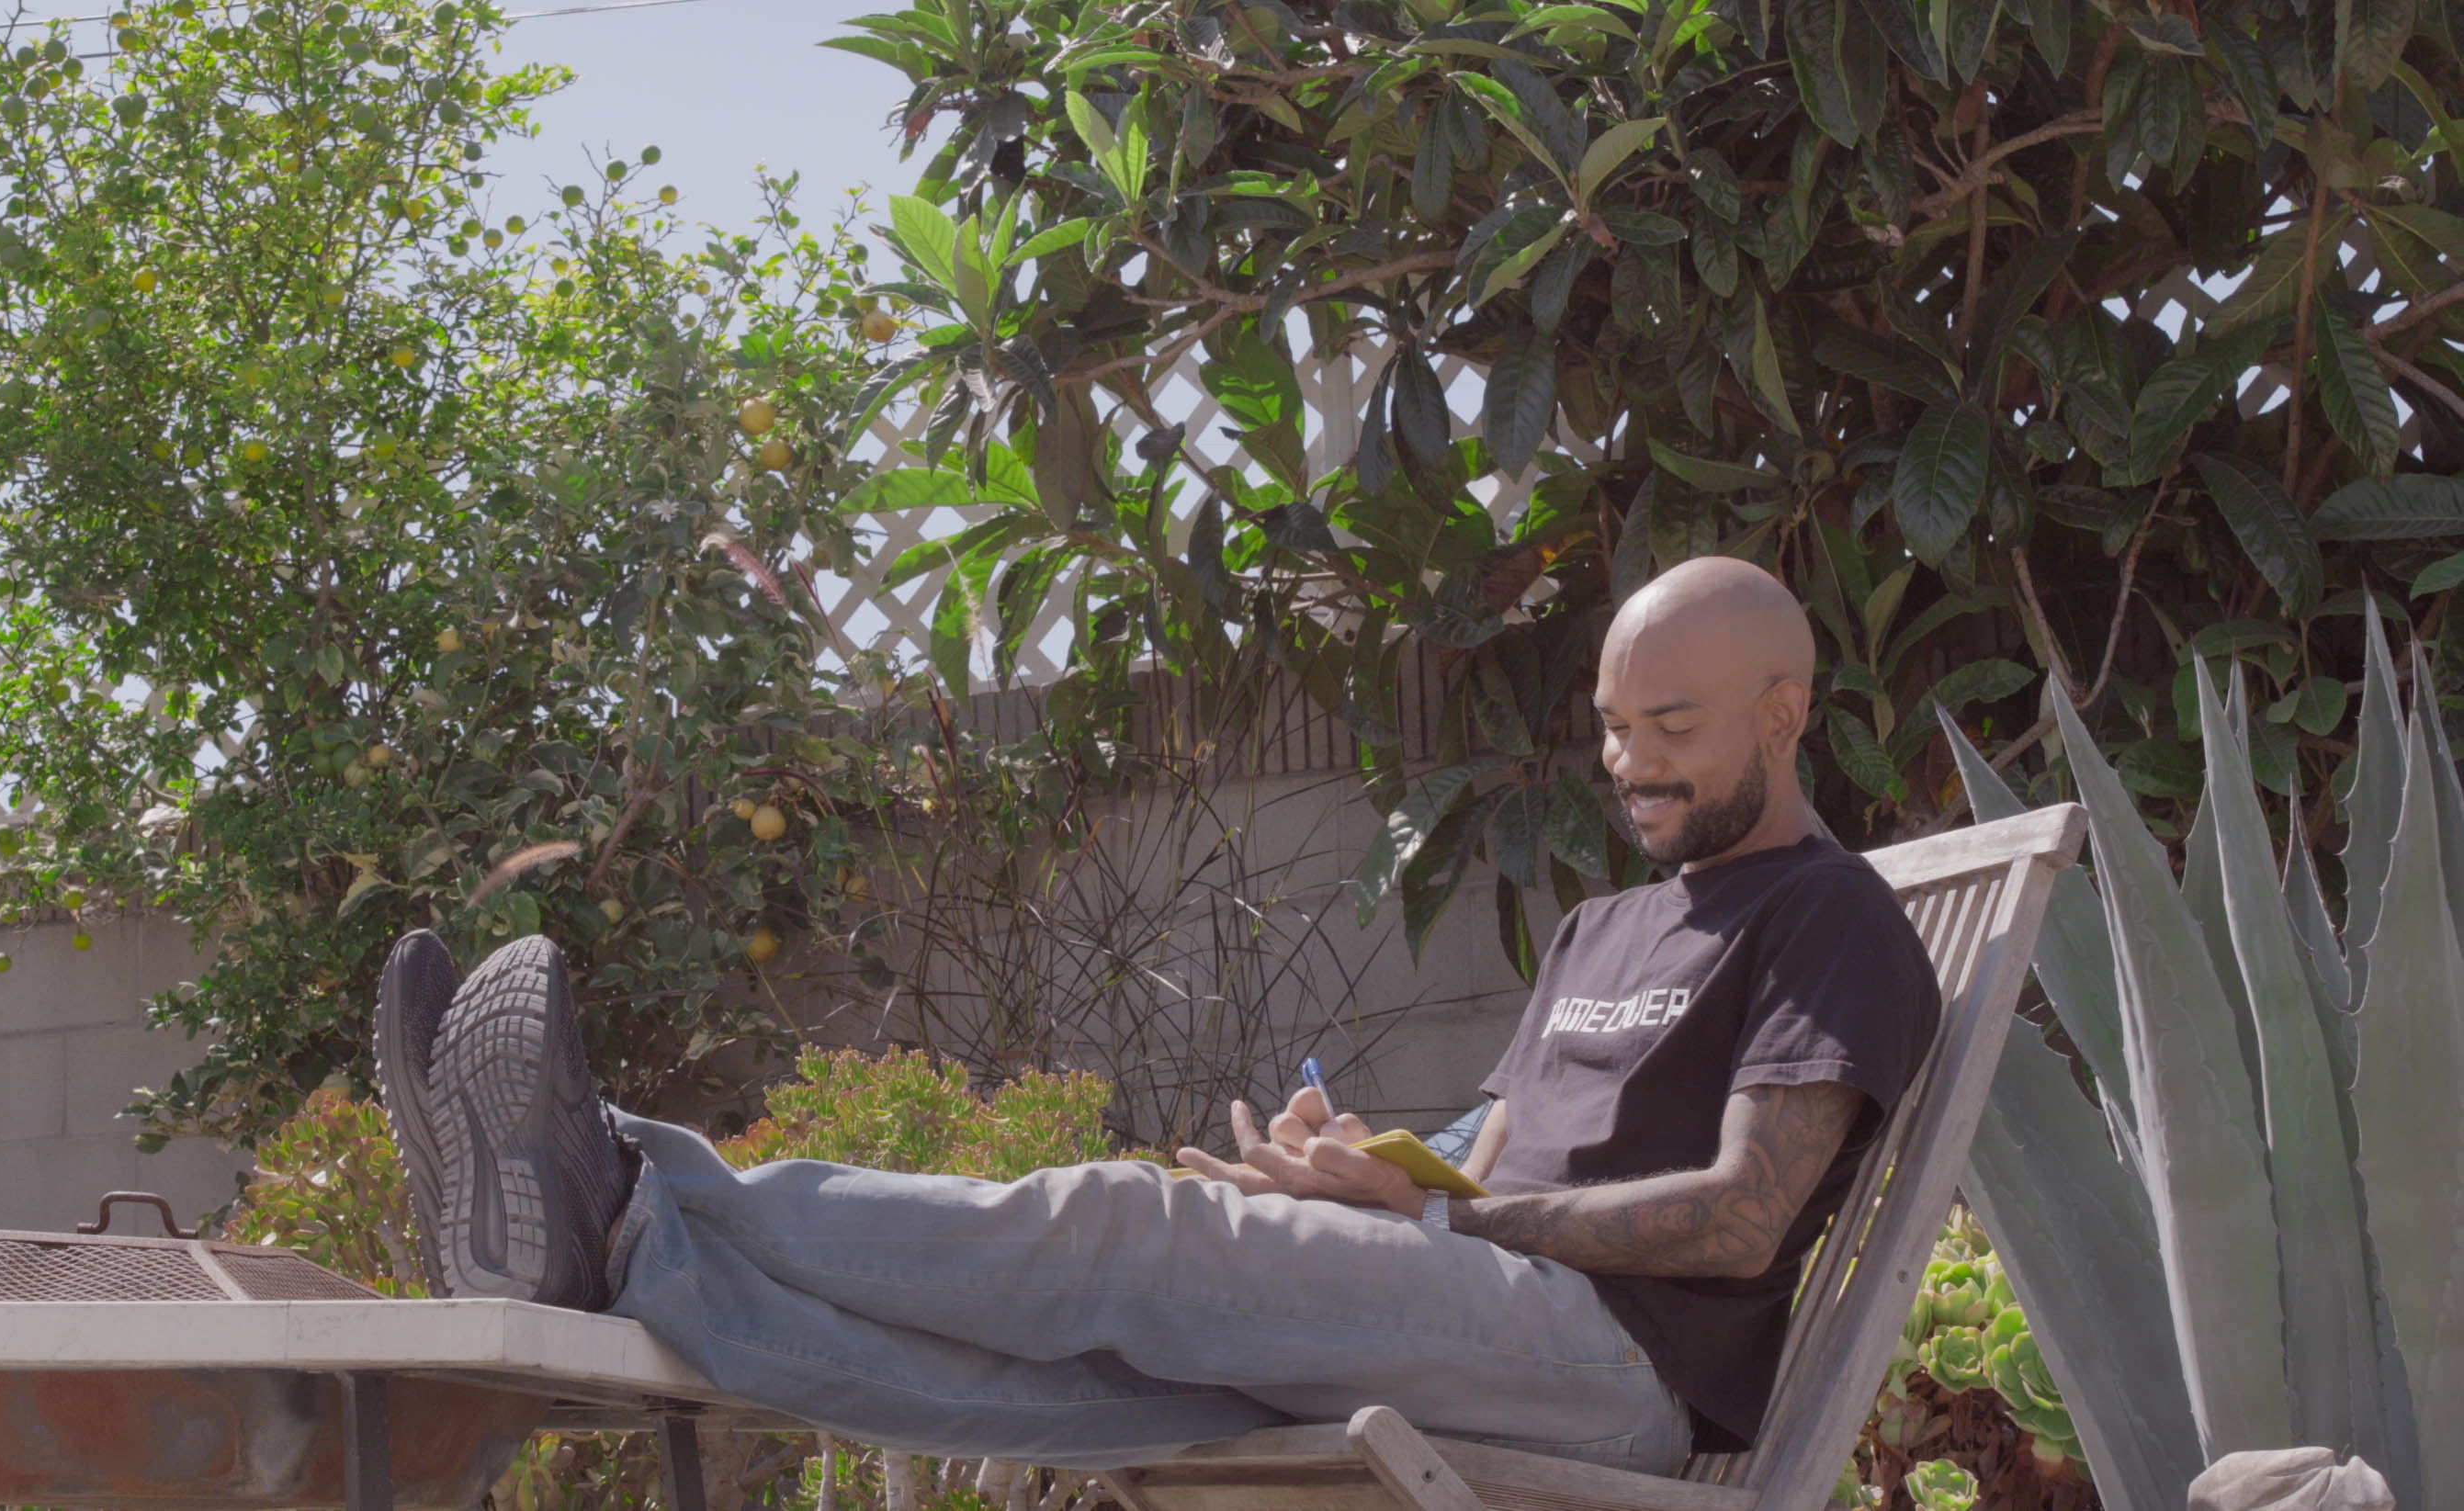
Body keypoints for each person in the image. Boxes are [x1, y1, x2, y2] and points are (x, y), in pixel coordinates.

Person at [372, 556, 1941, 1473]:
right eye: (1609, 726)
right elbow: (1495, 1142)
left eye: (1671, 726)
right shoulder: (1608, 922)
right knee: (1075, 1389)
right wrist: (1360, 1162)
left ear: (1781, 713)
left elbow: (1741, 1217)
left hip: (1616, 1369)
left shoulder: (1828, 915)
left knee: (1125, 1228)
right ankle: (619, 1250)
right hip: (1479, 1297)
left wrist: (1445, 1216)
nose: (1628, 762)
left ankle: (617, 1171)